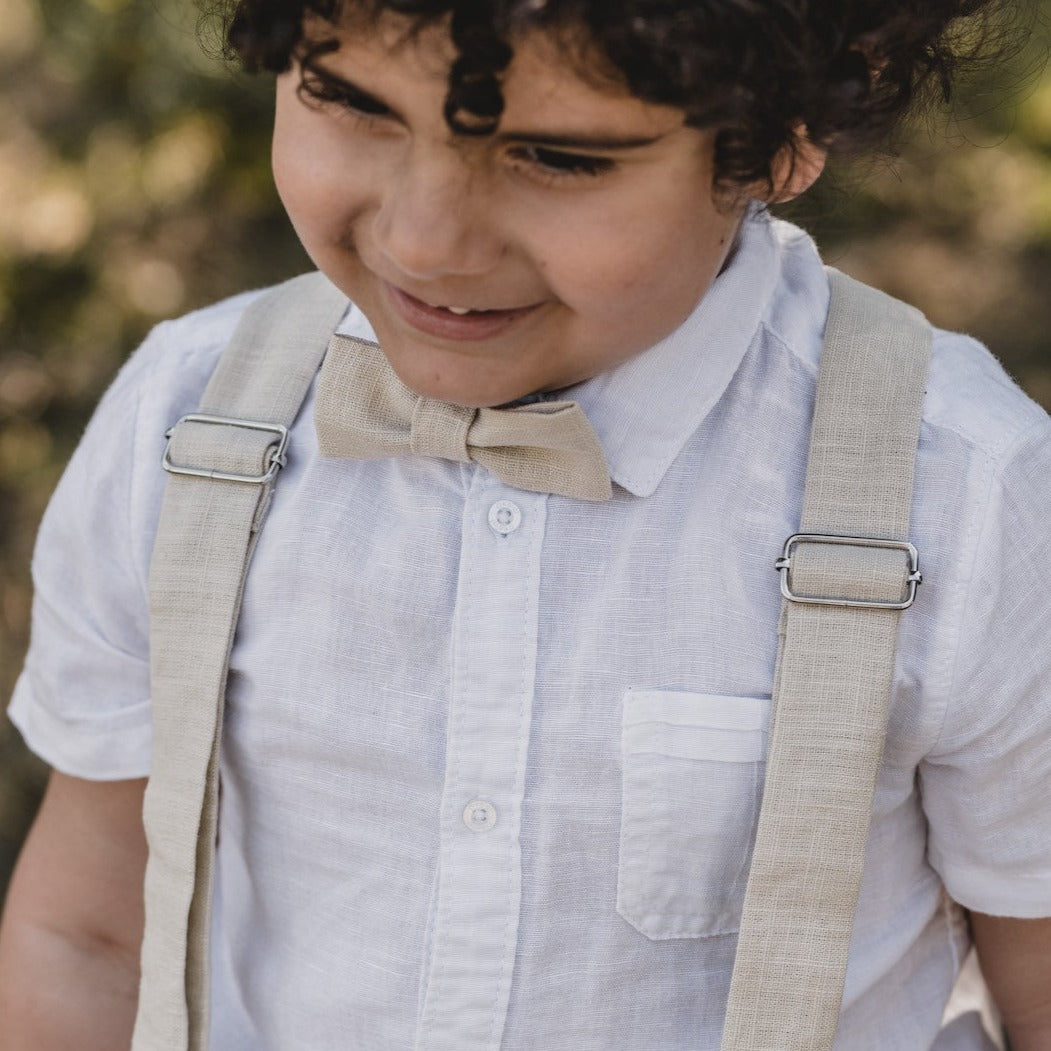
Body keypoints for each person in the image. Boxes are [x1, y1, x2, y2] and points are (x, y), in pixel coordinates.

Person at [1, 0, 1049, 1048]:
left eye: (556, 157)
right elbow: (87, 934)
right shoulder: (188, 421)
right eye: (352, 102)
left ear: (780, 140)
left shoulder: (960, 490)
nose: (427, 241)